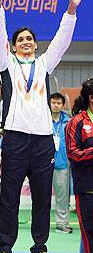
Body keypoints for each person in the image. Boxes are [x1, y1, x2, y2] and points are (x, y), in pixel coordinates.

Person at [0, 0, 85, 253]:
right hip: (16, 138)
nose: (26, 42)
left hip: (43, 140)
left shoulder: (44, 64)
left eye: (30, 39)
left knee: (42, 198)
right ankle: (4, 248)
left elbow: (62, 40)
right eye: (21, 39)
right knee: (9, 196)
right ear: (14, 45)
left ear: (35, 44)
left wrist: (71, 9)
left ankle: (40, 248)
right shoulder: (6, 63)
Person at [65, 79, 93, 253]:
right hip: (87, 189)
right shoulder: (77, 122)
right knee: (90, 234)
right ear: (91, 98)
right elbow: (73, 153)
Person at [50, 92, 72, 234]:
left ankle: (61, 223)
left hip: (62, 163)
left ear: (63, 105)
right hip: (43, 163)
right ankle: (41, 224)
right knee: (41, 196)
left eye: (59, 103)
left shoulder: (68, 121)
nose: (56, 105)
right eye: (53, 103)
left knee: (63, 196)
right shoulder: (42, 119)